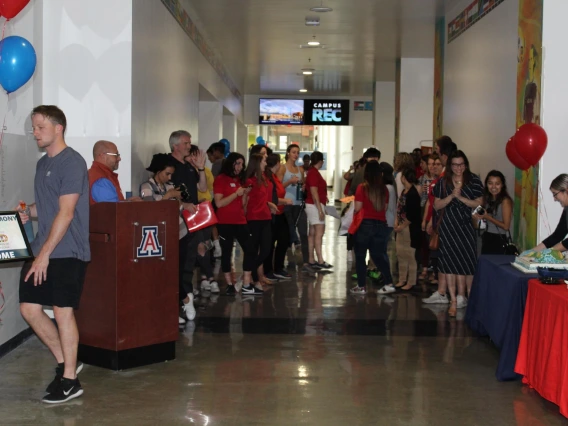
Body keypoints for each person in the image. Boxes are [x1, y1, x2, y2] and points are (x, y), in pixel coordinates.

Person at [17, 105, 90, 404]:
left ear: (58, 127)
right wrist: (28, 212)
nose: (34, 132)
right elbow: (47, 206)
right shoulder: (41, 164)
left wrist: (45, 254)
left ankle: (71, 381)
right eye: (33, 127)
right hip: (43, 250)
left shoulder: (73, 162)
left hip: (67, 250)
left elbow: (67, 212)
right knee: (29, 308)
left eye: (39, 127)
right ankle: (66, 362)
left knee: (62, 311)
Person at [140, 154, 195, 323]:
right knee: (165, 275)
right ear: (158, 171)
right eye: (167, 174)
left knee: (176, 272)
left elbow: (177, 208)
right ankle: (185, 300)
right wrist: (168, 196)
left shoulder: (171, 186)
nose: (170, 178)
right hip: (159, 238)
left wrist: (182, 202)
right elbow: (150, 210)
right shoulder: (147, 187)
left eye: (171, 174)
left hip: (179, 233)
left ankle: (178, 306)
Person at [433, 150, 483, 317]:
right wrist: (451, 197)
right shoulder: (443, 182)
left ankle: (469, 298)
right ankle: (453, 301)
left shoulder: (474, 180)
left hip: (466, 226)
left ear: (466, 165)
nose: (458, 168)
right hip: (448, 226)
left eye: (461, 164)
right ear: (450, 166)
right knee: (448, 264)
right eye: (455, 164)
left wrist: (460, 198)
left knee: (467, 263)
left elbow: (479, 203)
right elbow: (436, 205)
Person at [168, 131, 210, 310]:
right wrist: (183, 204)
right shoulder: (168, 165)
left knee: (190, 258)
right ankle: (180, 300)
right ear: (175, 146)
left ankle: (187, 298)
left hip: (192, 218)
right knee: (179, 260)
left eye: (189, 142)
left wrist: (200, 168)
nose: (189, 146)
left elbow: (202, 187)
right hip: (176, 220)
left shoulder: (188, 166)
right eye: (186, 143)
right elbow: (166, 193)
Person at [422, 136, 457, 305]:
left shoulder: (447, 178)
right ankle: (442, 291)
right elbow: (433, 201)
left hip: (447, 223)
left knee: (447, 259)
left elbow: (438, 201)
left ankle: (449, 294)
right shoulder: (442, 177)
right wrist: (430, 221)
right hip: (440, 221)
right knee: (441, 259)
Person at [350, 161, 392, 295]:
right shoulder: (384, 189)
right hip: (381, 226)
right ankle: (389, 283)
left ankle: (361, 286)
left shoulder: (362, 188)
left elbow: (357, 208)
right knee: (379, 256)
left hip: (365, 226)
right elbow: (384, 208)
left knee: (361, 256)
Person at [213, 153, 252, 295]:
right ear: (231, 164)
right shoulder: (221, 179)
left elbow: (242, 205)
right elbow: (219, 203)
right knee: (226, 252)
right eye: (238, 163)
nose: (240, 167)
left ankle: (246, 280)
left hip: (240, 220)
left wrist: (245, 194)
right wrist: (236, 193)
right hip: (225, 222)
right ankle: (229, 283)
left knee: (250, 249)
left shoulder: (240, 180)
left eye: (242, 164)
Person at [243, 154, 279, 294]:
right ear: (258, 163)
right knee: (253, 250)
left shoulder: (264, 178)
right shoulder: (250, 181)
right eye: (264, 160)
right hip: (253, 218)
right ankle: (250, 277)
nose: (266, 162)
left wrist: (268, 204)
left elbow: (263, 198)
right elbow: (246, 201)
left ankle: (248, 272)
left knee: (266, 249)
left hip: (265, 217)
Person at [277, 144, 311, 272]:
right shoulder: (282, 168)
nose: (296, 155)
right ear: (288, 153)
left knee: (303, 232)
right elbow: (278, 187)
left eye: (297, 152)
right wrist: (290, 182)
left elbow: (303, 185)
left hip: (299, 203)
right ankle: (289, 261)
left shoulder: (300, 170)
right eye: (293, 152)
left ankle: (306, 262)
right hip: (286, 204)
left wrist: (303, 187)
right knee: (288, 231)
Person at [188, 145, 222, 258]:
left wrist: (209, 201)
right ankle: (203, 263)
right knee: (198, 235)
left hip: (205, 205)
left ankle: (212, 251)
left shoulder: (206, 171)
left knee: (208, 230)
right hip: (193, 206)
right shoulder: (189, 171)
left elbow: (211, 188)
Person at [264, 153, 293, 281]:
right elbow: (270, 198)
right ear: (276, 164)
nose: (281, 165)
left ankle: (278, 268)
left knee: (284, 240)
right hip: (272, 214)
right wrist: (284, 201)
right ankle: (268, 270)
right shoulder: (268, 178)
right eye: (279, 162)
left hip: (280, 213)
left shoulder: (274, 177)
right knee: (270, 244)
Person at [394, 169, 422, 291]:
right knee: (400, 254)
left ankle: (411, 281)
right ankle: (402, 279)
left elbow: (413, 215)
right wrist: (396, 222)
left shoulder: (413, 194)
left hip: (409, 228)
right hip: (400, 226)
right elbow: (399, 208)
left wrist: (402, 226)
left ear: (404, 178)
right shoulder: (404, 192)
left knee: (410, 255)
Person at [474, 170, 513, 254]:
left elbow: (506, 226)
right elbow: (477, 224)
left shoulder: (505, 201)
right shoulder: (486, 199)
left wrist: (488, 217)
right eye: (490, 183)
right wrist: (476, 217)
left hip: (499, 240)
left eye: (497, 184)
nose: (493, 187)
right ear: (486, 184)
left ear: (502, 185)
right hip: (485, 237)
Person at [526, 173, 568, 252]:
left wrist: (551, 251)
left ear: (565, 190)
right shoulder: (566, 209)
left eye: (555, 194)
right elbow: (557, 235)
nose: (555, 199)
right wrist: (533, 251)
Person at [305, 151, 332, 270]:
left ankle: (311, 259)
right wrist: (320, 210)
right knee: (319, 234)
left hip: (312, 205)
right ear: (321, 162)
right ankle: (320, 260)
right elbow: (314, 192)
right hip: (314, 206)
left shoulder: (312, 172)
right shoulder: (314, 173)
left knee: (312, 233)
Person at [417, 154, 438, 280]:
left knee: (434, 242)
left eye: (434, 164)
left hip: (435, 212)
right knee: (424, 241)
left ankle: (434, 270)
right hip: (424, 209)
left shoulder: (440, 179)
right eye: (429, 164)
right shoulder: (422, 179)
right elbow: (420, 197)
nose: (431, 167)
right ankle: (425, 266)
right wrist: (422, 190)